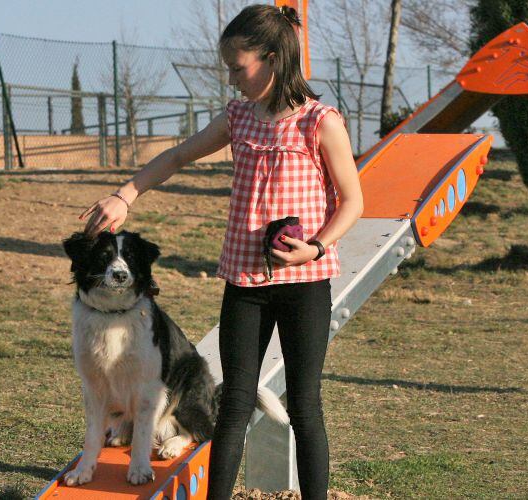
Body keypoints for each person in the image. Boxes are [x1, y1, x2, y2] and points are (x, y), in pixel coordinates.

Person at [78, 4, 362, 499]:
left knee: (305, 405)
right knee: (231, 405)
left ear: (273, 59)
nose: (232, 79)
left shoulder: (320, 122)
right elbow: (176, 155)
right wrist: (126, 194)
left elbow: (353, 201)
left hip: (305, 285)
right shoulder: (239, 117)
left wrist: (314, 249)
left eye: (239, 68)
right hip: (246, 285)